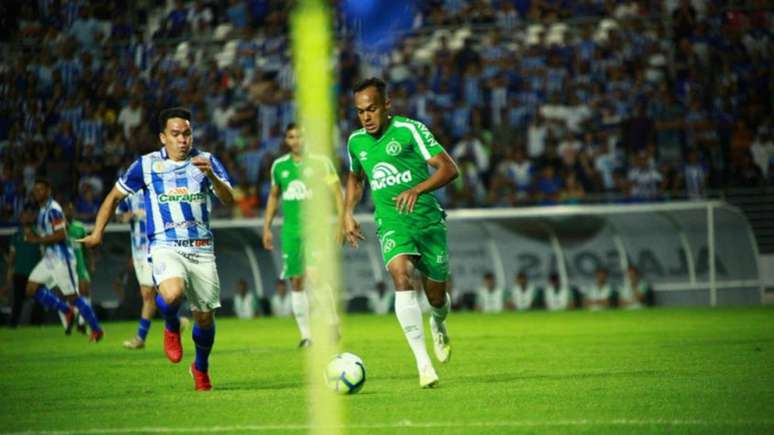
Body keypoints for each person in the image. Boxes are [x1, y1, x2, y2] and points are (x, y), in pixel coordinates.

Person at [79, 107, 234, 391]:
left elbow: (229, 198)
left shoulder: (207, 161)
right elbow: (114, 197)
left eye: (186, 133)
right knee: (171, 294)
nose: (182, 139)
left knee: (205, 318)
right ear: (163, 137)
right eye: (175, 134)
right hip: (165, 245)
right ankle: (171, 324)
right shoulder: (146, 165)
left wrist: (211, 176)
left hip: (201, 248)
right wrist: (98, 232)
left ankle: (200, 367)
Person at [343, 78, 459, 388]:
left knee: (436, 296)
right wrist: (346, 213)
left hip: (427, 222)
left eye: (372, 109)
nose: (366, 117)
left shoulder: (410, 130)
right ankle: (423, 365)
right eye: (360, 112)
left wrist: (417, 189)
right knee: (400, 277)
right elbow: (356, 178)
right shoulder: (356, 142)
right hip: (392, 223)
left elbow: (449, 168)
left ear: (386, 106)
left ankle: (438, 323)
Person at [262, 123, 343, 348]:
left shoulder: (321, 163)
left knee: (315, 276)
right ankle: (306, 336)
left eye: (300, 136)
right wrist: (267, 227)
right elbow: (273, 196)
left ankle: (331, 321)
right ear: (287, 141)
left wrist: (342, 220)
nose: (296, 140)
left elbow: (337, 192)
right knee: (296, 282)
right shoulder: (279, 166)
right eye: (292, 137)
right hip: (291, 231)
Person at [25, 179, 103, 341]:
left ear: (48, 191)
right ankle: (66, 310)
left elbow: (61, 235)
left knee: (73, 297)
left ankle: (96, 329)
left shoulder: (53, 209)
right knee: (31, 288)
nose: (37, 193)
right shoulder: (41, 211)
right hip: (49, 259)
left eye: (41, 190)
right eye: (35, 190)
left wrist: (37, 240)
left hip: (62, 259)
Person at [116, 191, 158, 350]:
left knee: (149, 294)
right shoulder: (129, 192)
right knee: (150, 294)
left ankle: (140, 338)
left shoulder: (157, 184)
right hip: (138, 250)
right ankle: (175, 321)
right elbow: (119, 216)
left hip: (156, 246)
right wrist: (127, 216)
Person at [3, 205, 42, 327]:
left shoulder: (39, 235)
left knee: (39, 302)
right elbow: (12, 259)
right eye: (25, 214)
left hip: (35, 275)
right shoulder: (16, 236)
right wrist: (9, 276)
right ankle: (13, 326)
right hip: (19, 274)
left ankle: (37, 326)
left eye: (30, 214)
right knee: (17, 302)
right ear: (21, 217)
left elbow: (42, 256)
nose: (28, 217)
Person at [64, 202, 95, 334]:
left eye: (71, 209)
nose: (69, 212)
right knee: (69, 296)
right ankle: (68, 323)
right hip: (65, 266)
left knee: (85, 291)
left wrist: (91, 262)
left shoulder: (79, 227)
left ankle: (82, 322)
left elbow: (87, 248)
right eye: (67, 210)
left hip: (80, 264)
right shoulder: (59, 228)